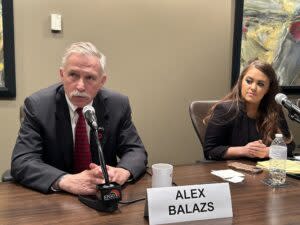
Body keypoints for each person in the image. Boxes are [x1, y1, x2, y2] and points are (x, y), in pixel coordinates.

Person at [11, 42, 148, 194]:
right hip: (56, 200)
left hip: (104, 195)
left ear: (102, 81)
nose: (80, 86)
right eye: (73, 75)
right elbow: (22, 161)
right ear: (62, 75)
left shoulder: (118, 105)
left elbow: (135, 150)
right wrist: (65, 180)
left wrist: (122, 171)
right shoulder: (38, 106)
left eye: (90, 78)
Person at [204, 59, 295, 160]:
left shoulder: (274, 110)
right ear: (241, 82)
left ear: (268, 89)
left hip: (264, 171)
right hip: (232, 171)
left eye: (260, 84)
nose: (253, 87)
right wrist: (245, 150)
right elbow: (210, 150)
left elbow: (290, 146)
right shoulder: (225, 110)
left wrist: (268, 151)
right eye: (249, 81)